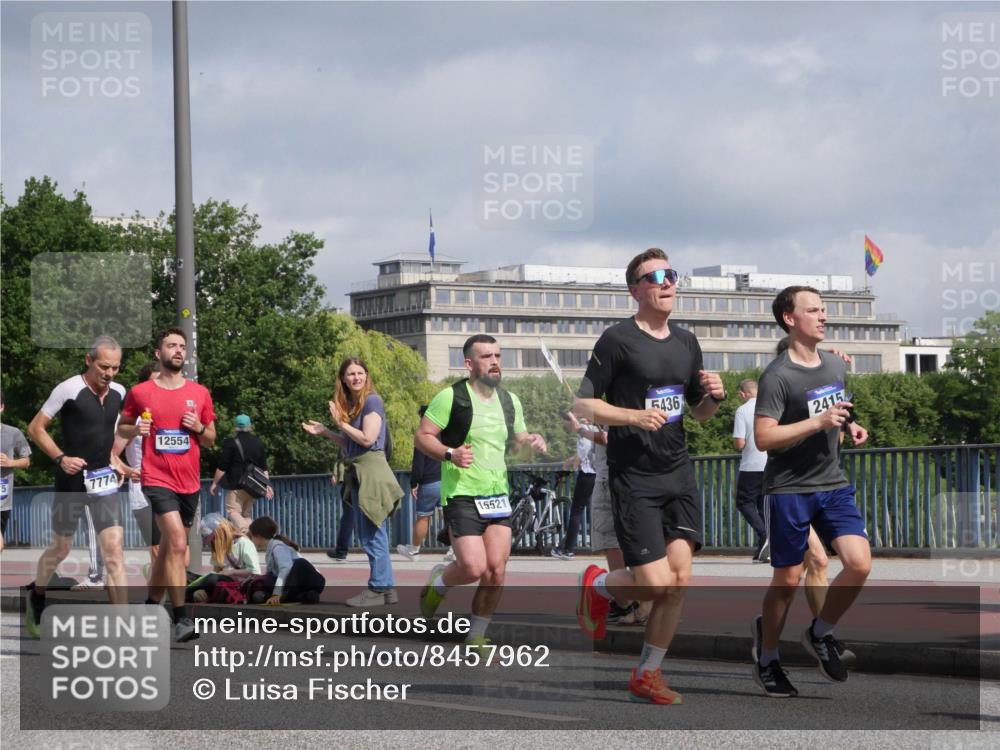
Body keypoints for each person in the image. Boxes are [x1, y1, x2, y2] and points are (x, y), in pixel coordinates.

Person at [573, 248, 726, 705]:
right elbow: (585, 405)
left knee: (678, 582)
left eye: (671, 274)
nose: (666, 282)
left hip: (677, 473)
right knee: (656, 582)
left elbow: (697, 414)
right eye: (654, 276)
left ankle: (647, 673)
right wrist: (632, 418)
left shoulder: (686, 342)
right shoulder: (617, 339)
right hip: (634, 477)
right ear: (634, 289)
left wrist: (714, 398)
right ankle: (597, 586)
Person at [751, 286, 871, 698]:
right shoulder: (777, 377)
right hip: (787, 489)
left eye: (824, 309)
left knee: (859, 563)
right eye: (814, 310)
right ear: (790, 318)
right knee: (786, 579)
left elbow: (833, 410)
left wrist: (847, 425)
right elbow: (764, 437)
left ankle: (820, 632)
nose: (823, 316)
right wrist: (818, 425)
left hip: (832, 483)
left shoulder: (835, 366)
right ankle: (767, 657)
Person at [415, 334, 547, 654]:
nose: (495, 362)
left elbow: (515, 443)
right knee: (473, 567)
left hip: (496, 494)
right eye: (487, 356)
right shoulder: (451, 397)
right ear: (470, 363)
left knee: (496, 570)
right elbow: (423, 437)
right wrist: (450, 454)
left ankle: (476, 636)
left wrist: (530, 440)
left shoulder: (509, 401)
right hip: (461, 493)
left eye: (498, 355)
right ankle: (440, 583)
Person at [24, 336, 132, 638]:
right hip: (71, 480)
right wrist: (60, 458)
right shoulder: (68, 389)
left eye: (115, 368)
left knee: (114, 553)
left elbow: (111, 433)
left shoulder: (120, 393)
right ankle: (37, 593)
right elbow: (35, 428)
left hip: (104, 482)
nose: (109, 374)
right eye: (103, 367)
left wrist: (116, 460)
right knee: (61, 548)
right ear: (89, 361)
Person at [118, 328, 217, 642]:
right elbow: (123, 426)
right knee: (175, 541)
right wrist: (136, 428)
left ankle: (149, 605)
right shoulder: (140, 392)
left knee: (169, 552)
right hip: (156, 477)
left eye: (182, 346)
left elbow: (211, 439)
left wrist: (199, 426)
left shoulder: (199, 393)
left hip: (188, 481)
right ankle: (182, 619)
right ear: (158, 353)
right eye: (171, 345)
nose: (178, 350)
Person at [302, 357, 401, 607]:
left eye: (359, 373)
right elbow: (351, 442)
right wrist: (327, 432)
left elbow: (367, 439)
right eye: (350, 374)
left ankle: (378, 589)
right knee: (372, 531)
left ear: (367, 375)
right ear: (343, 379)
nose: (356, 377)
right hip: (359, 470)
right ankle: (387, 590)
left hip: (370, 470)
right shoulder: (356, 404)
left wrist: (341, 423)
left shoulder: (372, 401)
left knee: (371, 533)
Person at [125, 362, 161, 580]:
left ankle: (157, 579)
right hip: (142, 490)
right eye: (154, 381)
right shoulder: (133, 418)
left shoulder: (168, 413)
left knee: (178, 548)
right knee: (157, 548)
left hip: (169, 486)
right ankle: (161, 596)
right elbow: (111, 452)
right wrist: (129, 471)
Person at [210, 413, 274, 534]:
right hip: (253, 486)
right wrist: (267, 484)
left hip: (236, 485)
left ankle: (247, 532)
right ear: (250, 426)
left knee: (233, 512)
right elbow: (264, 467)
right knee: (246, 515)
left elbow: (222, 467)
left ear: (236, 427)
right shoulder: (258, 442)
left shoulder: (231, 443)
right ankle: (250, 537)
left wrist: (215, 483)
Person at [397, 405, 442, 561]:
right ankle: (455, 551)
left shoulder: (422, 437)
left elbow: (418, 465)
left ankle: (414, 550)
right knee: (450, 517)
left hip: (430, 483)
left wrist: (414, 483)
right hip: (449, 481)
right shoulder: (448, 435)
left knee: (423, 517)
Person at [248, 516, 325, 605]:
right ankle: (303, 596)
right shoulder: (271, 547)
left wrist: (277, 593)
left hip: (312, 581)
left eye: (252, 536)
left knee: (300, 563)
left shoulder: (278, 547)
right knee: (268, 577)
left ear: (258, 536)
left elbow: (285, 569)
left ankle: (284, 596)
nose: (252, 540)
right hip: (295, 583)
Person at [552, 413, 598, 560]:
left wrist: (572, 465)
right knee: (584, 510)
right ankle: (563, 547)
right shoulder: (594, 427)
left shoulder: (584, 429)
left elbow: (583, 452)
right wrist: (571, 459)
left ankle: (568, 549)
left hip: (587, 474)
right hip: (597, 473)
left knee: (576, 511)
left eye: (566, 424)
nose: (567, 427)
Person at [733, 379, 769, 563]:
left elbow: (740, 443)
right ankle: (765, 549)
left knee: (744, 502)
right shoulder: (769, 406)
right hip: (770, 464)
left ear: (743, 394)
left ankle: (764, 534)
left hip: (751, 465)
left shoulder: (742, 410)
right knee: (764, 506)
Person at [187, 512, 261, 602]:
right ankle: (192, 593)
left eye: (213, 538)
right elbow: (217, 571)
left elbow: (255, 572)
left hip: (239, 584)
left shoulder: (243, 543)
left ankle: (187, 593)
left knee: (211, 579)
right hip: (222, 581)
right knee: (188, 576)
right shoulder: (218, 548)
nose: (212, 542)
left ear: (221, 532)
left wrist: (232, 572)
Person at [0, 388, 32, 554]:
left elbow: (27, 461)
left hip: (3, 500)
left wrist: (10, 462)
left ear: (2, 407)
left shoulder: (13, 433)